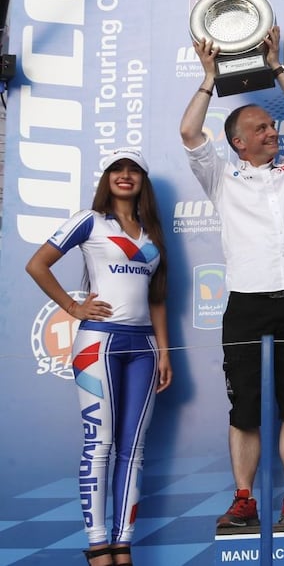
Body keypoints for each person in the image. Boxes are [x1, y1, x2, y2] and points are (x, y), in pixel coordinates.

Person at [181, 26, 284, 528]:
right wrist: (208, 77)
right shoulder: (222, 176)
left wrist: (277, 67)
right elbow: (189, 134)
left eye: (272, 127)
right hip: (246, 301)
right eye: (263, 128)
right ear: (239, 143)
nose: (274, 132)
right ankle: (243, 500)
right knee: (244, 408)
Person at [26, 147, 171, 566]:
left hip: (143, 347)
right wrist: (73, 308)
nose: (125, 176)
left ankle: (123, 544)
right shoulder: (89, 221)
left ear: (142, 180)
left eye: (133, 171)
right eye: (116, 170)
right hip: (97, 345)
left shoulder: (152, 233)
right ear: (107, 178)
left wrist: (163, 351)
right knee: (100, 445)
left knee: (134, 449)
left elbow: (158, 298)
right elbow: (38, 264)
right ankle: (97, 545)